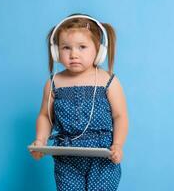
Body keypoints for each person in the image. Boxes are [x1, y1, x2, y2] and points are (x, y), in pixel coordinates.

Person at [30, 13, 128, 191]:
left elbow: (120, 116)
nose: (73, 54)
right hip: (67, 157)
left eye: (82, 47)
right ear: (56, 51)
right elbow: (45, 115)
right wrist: (40, 140)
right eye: (66, 47)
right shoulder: (54, 83)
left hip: (102, 157)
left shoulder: (108, 80)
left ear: (99, 50)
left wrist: (118, 145)